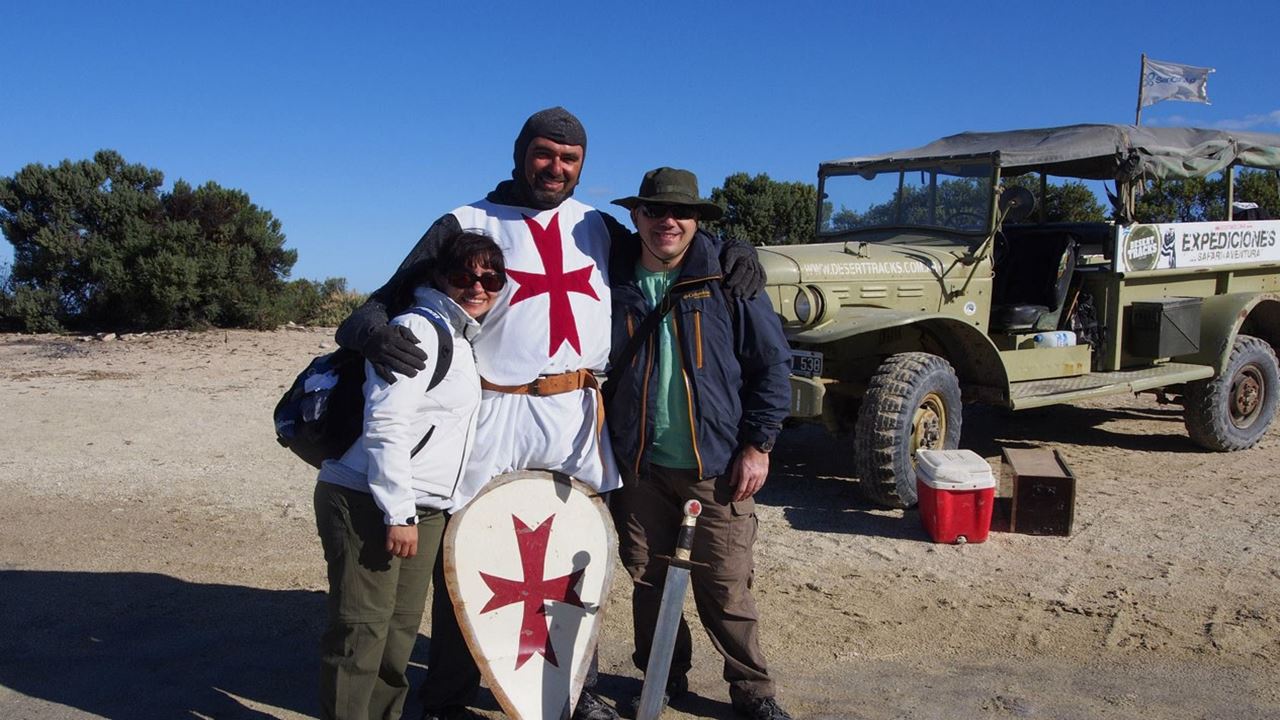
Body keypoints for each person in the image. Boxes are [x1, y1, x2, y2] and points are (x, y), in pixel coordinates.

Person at [336, 107, 765, 720]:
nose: (555, 168)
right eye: (544, 154)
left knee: (571, 553)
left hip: (574, 413)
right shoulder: (467, 222)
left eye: (569, 159)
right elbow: (381, 302)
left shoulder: (596, 224)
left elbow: (673, 247)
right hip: (492, 412)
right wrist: (369, 334)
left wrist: (738, 249)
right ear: (520, 152)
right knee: (472, 549)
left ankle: (574, 690)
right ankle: (451, 693)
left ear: (582, 164)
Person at [604, 168, 793, 720]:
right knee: (649, 580)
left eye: (681, 212)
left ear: (697, 221)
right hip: (639, 468)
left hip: (715, 467)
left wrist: (759, 445)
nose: (668, 221)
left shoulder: (729, 279)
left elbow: (772, 366)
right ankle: (663, 676)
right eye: (655, 211)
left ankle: (754, 693)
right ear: (636, 216)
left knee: (726, 588)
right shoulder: (612, 276)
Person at [314, 232, 505, 720]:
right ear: (440, 277)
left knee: (398, 630)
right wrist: (398, 512)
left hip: (424, 507)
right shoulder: (418, 330)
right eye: (464, 276)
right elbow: (385, 426)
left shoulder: (463, 338)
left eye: (491, 278)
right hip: (369, 501)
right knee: (362, 629)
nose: (477, 287)